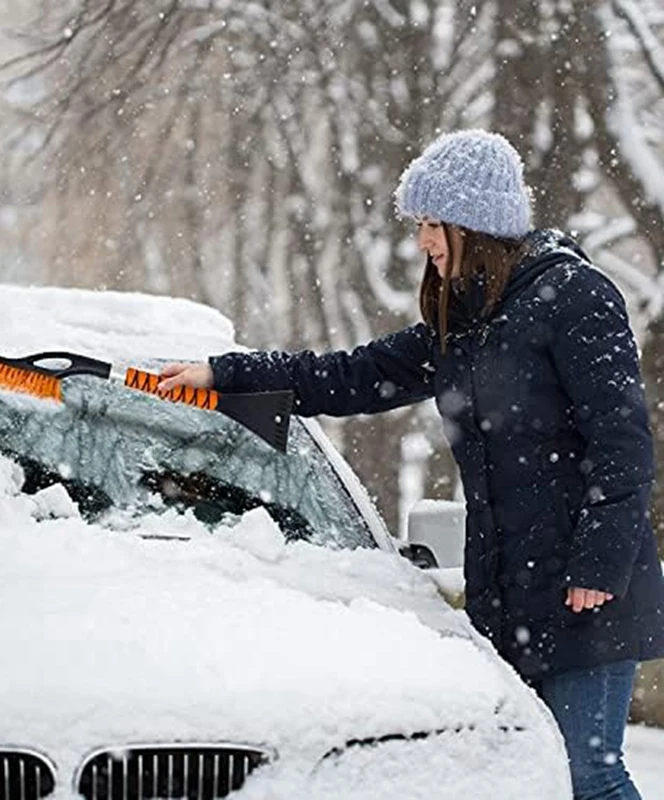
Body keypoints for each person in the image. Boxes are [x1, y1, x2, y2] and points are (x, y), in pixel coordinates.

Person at [158, 129, 664, 800]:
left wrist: (597, 566)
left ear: (474, 225)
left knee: (588, 775)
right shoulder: (465, 320)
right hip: (510, 591)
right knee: (532, 779)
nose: (423, 240)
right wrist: (227, 373)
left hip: (584, 591)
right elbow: (349, 376)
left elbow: (623, 442)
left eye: (432, 224)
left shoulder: (574, 297)